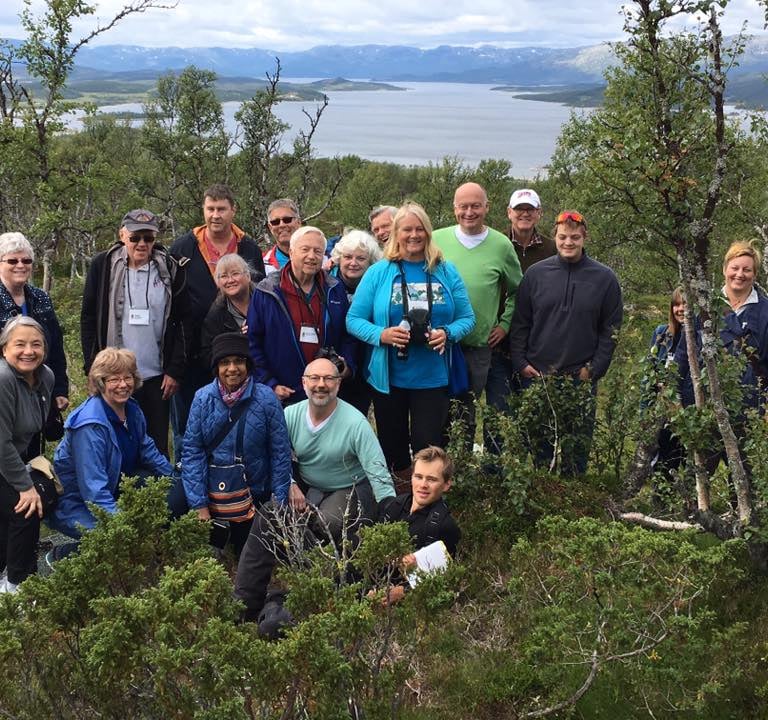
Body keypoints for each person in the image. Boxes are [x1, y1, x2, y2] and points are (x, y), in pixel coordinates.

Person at [233, 357, 396, 621]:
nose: (321, 385)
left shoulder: (355, 424)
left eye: (328, 379)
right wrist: (291, 484)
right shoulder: (290, 415)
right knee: (271, 515)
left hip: (352, 487)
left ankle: (328, 583)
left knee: (327, 522)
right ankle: (243, 607)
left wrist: (394, 523)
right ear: (304, 383)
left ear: (338, 384)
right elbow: (272, 454)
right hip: (311, 488)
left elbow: (379, 475)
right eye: (315, 379)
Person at [346, 201, 475, 485]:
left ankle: (428, 505)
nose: (413, 235)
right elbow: (353, 319)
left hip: (433, 377)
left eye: (419, 229)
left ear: (428, 233)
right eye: (407, 229)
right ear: (396, 233)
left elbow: (467, 318)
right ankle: (400, 506)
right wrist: (382, 335)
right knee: (393, 449)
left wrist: (447, 333)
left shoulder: (445, 271)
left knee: (428, 446)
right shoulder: (380, 272)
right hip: (389, 377)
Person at [508, 210, 623, 474]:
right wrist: (521, 362)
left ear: (584, 237)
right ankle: (543, 498)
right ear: (555, 237)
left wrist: (593, 369)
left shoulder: (604, 279)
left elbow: (611, 329)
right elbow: (521, 323)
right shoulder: (536, 274)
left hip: (580, 378)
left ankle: (575, 504)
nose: (568, 243)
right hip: (538, 376)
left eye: (574, 237)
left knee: (577, 448)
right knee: (539, 446)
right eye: (562, 237)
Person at [81, 209, 190, 457]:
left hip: (155, 376)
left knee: (156, 445)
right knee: (111, 443)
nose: (142, 244)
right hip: (113, 376)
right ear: (122, 235)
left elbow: (185, 321)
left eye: (148, 238)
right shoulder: (103, 265)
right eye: (135, 237)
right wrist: (91, 367)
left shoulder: (170, 268)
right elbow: (88, 318)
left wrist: (174, 370)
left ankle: (156, 493)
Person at [170, 184, 265, 458]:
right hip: (191, 350)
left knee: (233, 417)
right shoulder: (183, 246)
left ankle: (230, 472)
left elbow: (257, 294)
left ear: (233, 210)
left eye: (221, 209)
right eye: (210, 209)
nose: (215, 215)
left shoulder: (248, 247)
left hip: (236, 353)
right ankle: (186, 473)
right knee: (188, 419)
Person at [51, 348, 185, 540]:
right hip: (80, 500)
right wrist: (121, 525)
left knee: (179, 494)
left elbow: (149, 452)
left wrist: (174, 479)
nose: (123, 385)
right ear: (101, 382)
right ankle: (63, 554)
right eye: (114, 379)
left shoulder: (131, 408)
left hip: (117, 484)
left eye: (128, 377)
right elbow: (93, 489)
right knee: (117, 538)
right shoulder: (90, 426)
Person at [181, 333, 292, 555]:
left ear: (248, 364)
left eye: (238, 361)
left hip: (253, 494)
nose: (232, 369)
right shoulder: (202, 399)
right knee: (210, 555)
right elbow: (192, 451)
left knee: (250, 555)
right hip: (215, 494)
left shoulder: (266, 399)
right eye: (224, 363)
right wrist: (199, 505)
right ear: (216, 367)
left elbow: (280, 452)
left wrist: (278, 504)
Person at [432, 182, 522, 447]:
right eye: (463, 206)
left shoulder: (501, 245)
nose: (469, 212)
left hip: (476, 347)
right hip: (436, 345)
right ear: (454, 208)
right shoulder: (436, 239)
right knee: (433, 411)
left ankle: (459, 473)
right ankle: (431, 471)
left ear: (487, 207)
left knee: (465, 413)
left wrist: (505, 324)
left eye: (475, 206)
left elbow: (520, 290)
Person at [248, 226, 357, 406]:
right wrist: (269, 383)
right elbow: (253, 342)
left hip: (326, 391)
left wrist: (347, 366)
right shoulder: (267, 291)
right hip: (284, 393)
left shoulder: (334, 289)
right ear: (291, 252)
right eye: (305, 249)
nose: (312, 256)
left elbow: (348, 335)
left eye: (318, 251)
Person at [0, 317, 54, 592]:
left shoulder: (45, 377)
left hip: (11, 459)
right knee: (27, 507)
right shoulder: (3, 379)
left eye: (36, 344)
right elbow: (1, 442)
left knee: (14, 508)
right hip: (3, 454)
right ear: (4, 349)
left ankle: (6, 577)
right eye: (19, 344)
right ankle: (18, 585)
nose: (28, 351)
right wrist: (25, 486)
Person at [376, 445, 461, 605]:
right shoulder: (393, 506)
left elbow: (445, 584)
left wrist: (403, 592)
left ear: (446, 484)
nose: (423, 485)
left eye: (432, 479)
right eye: (418, 476)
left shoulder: (444, 527)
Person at [0, 232, 68, 411]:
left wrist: (60, 388)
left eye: (26, 261)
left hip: (39, 386)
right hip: (5, 391)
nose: (20, 265)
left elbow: (55, 345)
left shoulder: (40, 297)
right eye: (13, 261)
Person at [330, 229, 383, 414]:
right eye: (348, 257)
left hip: (368, 362)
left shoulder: (378, 287)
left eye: (361, 258)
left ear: (370, 262)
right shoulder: (326, 285)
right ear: (339, 259)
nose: (353, 263)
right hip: (333, 362)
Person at [199, 253, 255, 371]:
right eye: (224, 276)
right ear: (218, 283)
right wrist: (238, 338)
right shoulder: (215, 314)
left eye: (235, 273)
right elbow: (209, 355)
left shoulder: (265, 300)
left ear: (248, 276)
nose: (230, 280)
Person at [507, 189, 556, 272]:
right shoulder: (497, 245)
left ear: (539, 212)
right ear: (509, 212)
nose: (525, 214)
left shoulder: (552, 249)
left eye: (530, 209)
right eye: (519, 208)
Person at [263, 198, 302, 275]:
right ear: (270, 227)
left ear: (298, 222)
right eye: (275, 222)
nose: (282, 225)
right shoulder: (262, 264)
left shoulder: (322, 258)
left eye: (287, 219)